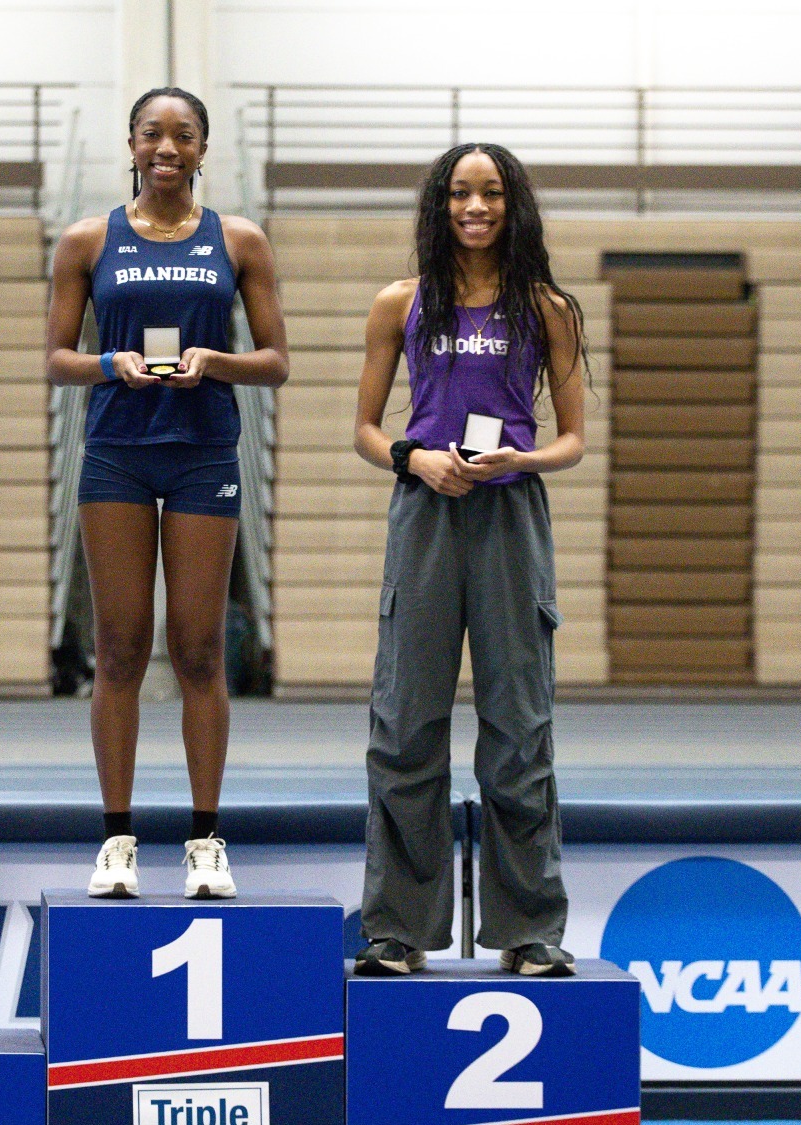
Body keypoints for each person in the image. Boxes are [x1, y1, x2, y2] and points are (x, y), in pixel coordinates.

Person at [349, 143, 589, 977]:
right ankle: (398, 928)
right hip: (424, 512)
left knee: (518, 728)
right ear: (440, 205)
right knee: (405, 724)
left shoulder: (547, 308)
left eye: (490, 193)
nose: (475, 207)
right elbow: (367, 430)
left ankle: (530, 926)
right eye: (460, 193)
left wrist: (520, 461)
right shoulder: (400, 303)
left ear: (512, 204)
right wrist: (414, 457)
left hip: (510, 515)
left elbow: (574, 439)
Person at [45, 87, 289, 900]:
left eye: (184, 134)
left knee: (197, 649)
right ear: (132, 142)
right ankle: (117, 839)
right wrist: (107, 362)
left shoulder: (238, 239)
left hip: (201, 451)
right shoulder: (88, 240)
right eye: (154, 133)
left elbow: (275, 359)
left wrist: (214, 361)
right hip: (117, 450)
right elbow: (57, 357)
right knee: (117, 647)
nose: (167, 147)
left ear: (202, 149)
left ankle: (204, 839)